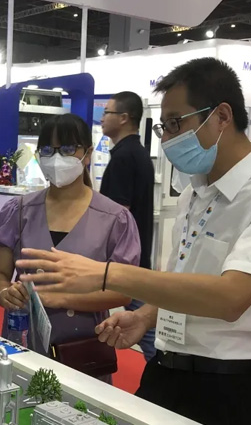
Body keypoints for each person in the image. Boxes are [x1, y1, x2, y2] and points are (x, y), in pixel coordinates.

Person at [17, 58, 251, 424]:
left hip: (227, 385)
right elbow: (185, 279)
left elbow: (231, 298)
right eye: (164, 127)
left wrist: (107, 274)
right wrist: (146, 315)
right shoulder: (194, 193)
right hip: (164, 369)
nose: (168, 139)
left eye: (175, 123)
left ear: (222, 116)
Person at [0, 114, 140, 383]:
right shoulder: (19, 210)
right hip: (23, 341)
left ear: (87, 154)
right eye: (48, 150)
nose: (57, 158)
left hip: (82, 347)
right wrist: (4, 293)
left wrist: (61, 299)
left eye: (68, 149)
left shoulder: (115, 219)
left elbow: (123, 291)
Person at [99, 91, 157, 361]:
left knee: (144, 327)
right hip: (135, 257)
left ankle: (163, 371)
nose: (102, 118)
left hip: (126, 262)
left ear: (124, 118)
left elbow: (118, 214)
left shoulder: (124, 157)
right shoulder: (136, 152)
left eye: (106, 112)